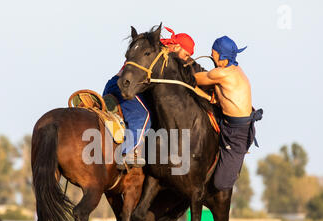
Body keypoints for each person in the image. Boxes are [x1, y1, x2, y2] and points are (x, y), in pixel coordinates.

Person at [104, 27, 197, 170]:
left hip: (115, 83)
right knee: (144, 116)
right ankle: (127, 153)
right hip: (125, 86)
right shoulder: (159, 54)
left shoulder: (155, 50)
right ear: (177, 46)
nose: (186, 59)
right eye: (186, 54)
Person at [194, 36, 263, 191]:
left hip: (237, 133)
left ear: (221, 55)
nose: (211, 56)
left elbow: (193, 79)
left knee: (221, 183)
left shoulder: (222, 74)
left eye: (214, 53)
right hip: (226, 121)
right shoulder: (234, 69)